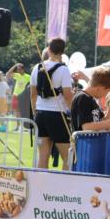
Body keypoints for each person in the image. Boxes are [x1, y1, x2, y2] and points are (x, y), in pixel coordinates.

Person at [30, 38, 75, 169]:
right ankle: (63, 182)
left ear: (48, 49)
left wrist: (35, 112)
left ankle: (41, 181)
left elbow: (33, 94)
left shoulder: (37, 67)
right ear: (62, 52)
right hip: (57, 115)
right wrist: (73, 114)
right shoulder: (64, 70)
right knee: (67, 157)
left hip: (40, 114)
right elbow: (68, 96)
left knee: (43, 156)